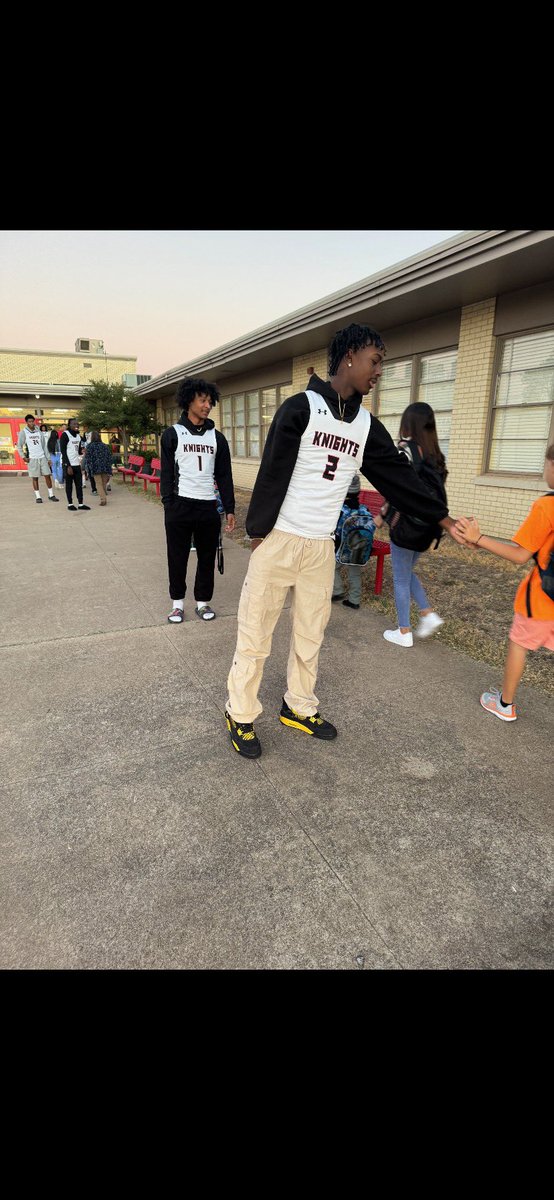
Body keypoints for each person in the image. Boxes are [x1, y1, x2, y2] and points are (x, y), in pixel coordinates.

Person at [224, 322, 463, 759]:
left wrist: (442, 518)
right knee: (256, 634)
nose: (378, 373)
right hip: (280, 538)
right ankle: (240, 714)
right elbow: (272, 471)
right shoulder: (301, 407)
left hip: (320, 546)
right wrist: (259, 535)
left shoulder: (367, 425)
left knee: (310, 634)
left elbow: (397, 476)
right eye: (375, 362)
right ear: (350, 356)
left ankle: (298, 706)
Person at [456, 443, 554, 722]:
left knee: (519, 644)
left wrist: (478, 538)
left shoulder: (547, 505)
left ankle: (505, 704)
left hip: (542, 599)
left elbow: (520, 555)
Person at [160, 377, 235, 623]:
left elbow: (224, 475)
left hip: (207, 507)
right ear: (189, 400)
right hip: (180, 506)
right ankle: (177, 604)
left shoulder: (218, 438)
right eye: (202, 400)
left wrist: (230, 508)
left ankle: (203, 603)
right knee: (177, 556)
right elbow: (167, 473)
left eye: (210, 401)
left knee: (206, 557)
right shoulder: (173, 434)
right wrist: (168, 504)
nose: (207, 405)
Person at [376, 401, 447, 647]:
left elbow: (397, 487)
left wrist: (382, 514)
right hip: (428, 528)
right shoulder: (436, 455)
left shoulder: (406, 450)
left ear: (409, 424)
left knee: (400, 578)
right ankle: (428, 614)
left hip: (407, 525)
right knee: (406, 572)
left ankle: (403, 631)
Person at [332, 472, 363, 609]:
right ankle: (354, 601)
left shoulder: (341, 510)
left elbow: (335, 530)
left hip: (343, 549)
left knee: (332, 568)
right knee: (354, 574)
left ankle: (338, 591)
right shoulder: (363, 509)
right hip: (359, 549)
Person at [17, 414, 60, 504]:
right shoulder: (23, 432)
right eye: (30, 421)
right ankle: (38, 496)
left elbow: (44, 446)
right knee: (35, 477)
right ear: (27, 422)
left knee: (47, 475)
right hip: (32, 458)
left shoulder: (38, 431)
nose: (32, 423)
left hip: (42, 457)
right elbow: (19, 446)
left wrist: (48, 458)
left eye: (33, 421)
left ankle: (51, 495)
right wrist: (23, 456)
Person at [59, 418, 90, 511]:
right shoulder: (65, 435)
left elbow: (78, 450)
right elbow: (63, 451)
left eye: (77, 424)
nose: (76, 425)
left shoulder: (78, 436)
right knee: (69, 485)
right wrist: (68, 465)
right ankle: (70, 504)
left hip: (76, 464)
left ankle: (80, 504)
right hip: (68, 464)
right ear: (69, 425)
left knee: (79, 485)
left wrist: (82, 451)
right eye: (74, 424)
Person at [82, 431, 113, 504]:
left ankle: (103, 499)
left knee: (98, 483)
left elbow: (88, 458)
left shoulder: (89, 446)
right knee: (103, 483)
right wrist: (109, 468)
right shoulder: (105, 446)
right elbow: (109, 457)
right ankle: (103, 494)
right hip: (105, 467)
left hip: (95, 468)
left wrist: (88, 468)